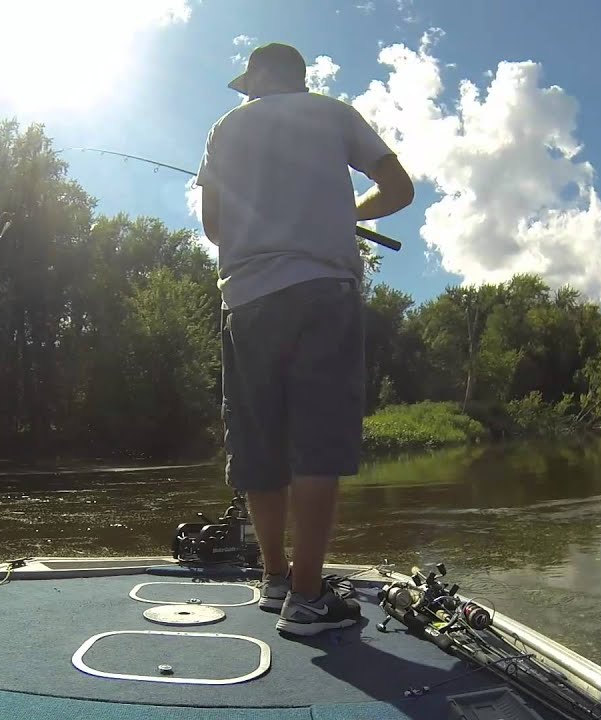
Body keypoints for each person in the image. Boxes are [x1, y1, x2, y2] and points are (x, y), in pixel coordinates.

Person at [195, 42, 415, 636]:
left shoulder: (224, 129)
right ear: (301, 77)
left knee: (260, 440)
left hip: (245, 302)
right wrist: (353, 216)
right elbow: (399, 188)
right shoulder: (333, 113)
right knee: (318, 440)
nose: (245, 93)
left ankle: (274, 580)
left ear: (263, 78)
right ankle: (309, 596)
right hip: (323, 292)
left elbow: (214, 226)